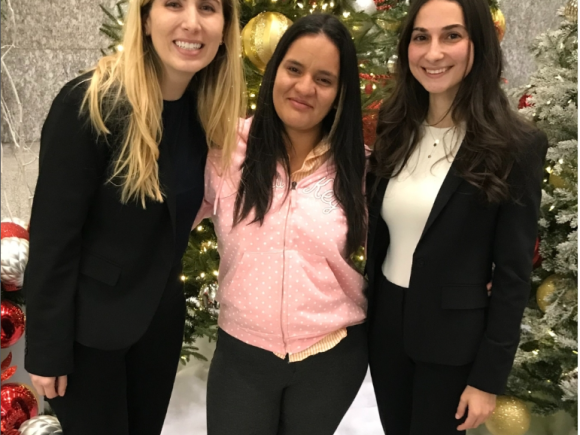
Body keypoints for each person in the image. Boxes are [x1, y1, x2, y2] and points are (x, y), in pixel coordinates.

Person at [23, 0, 244, 433]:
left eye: (208, 8)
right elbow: (53, 238)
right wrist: (46, 350)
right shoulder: (90, 104)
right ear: (145, 18)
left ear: (225, 28)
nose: (192, 22)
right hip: (87, 337)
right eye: (174, 4)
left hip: (157, 329)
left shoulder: (207, 113)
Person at [365, 0, 548, 433]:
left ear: (478, 44)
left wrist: (488, 379)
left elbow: (513, 274)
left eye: (452, 35)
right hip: (386, 326)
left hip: (453, 342)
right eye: (421, 37)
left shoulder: (515, 145)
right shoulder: (394, 125)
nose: (433, 53)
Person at [195, 13, 368, 435]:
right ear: (275, 71)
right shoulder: (224, 149)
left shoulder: (362, 167)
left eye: (324, 79)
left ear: (340, 93)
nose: (305, 87)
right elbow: (154, 216)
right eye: (294, 69)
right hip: (242, 357)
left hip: (331, 358)